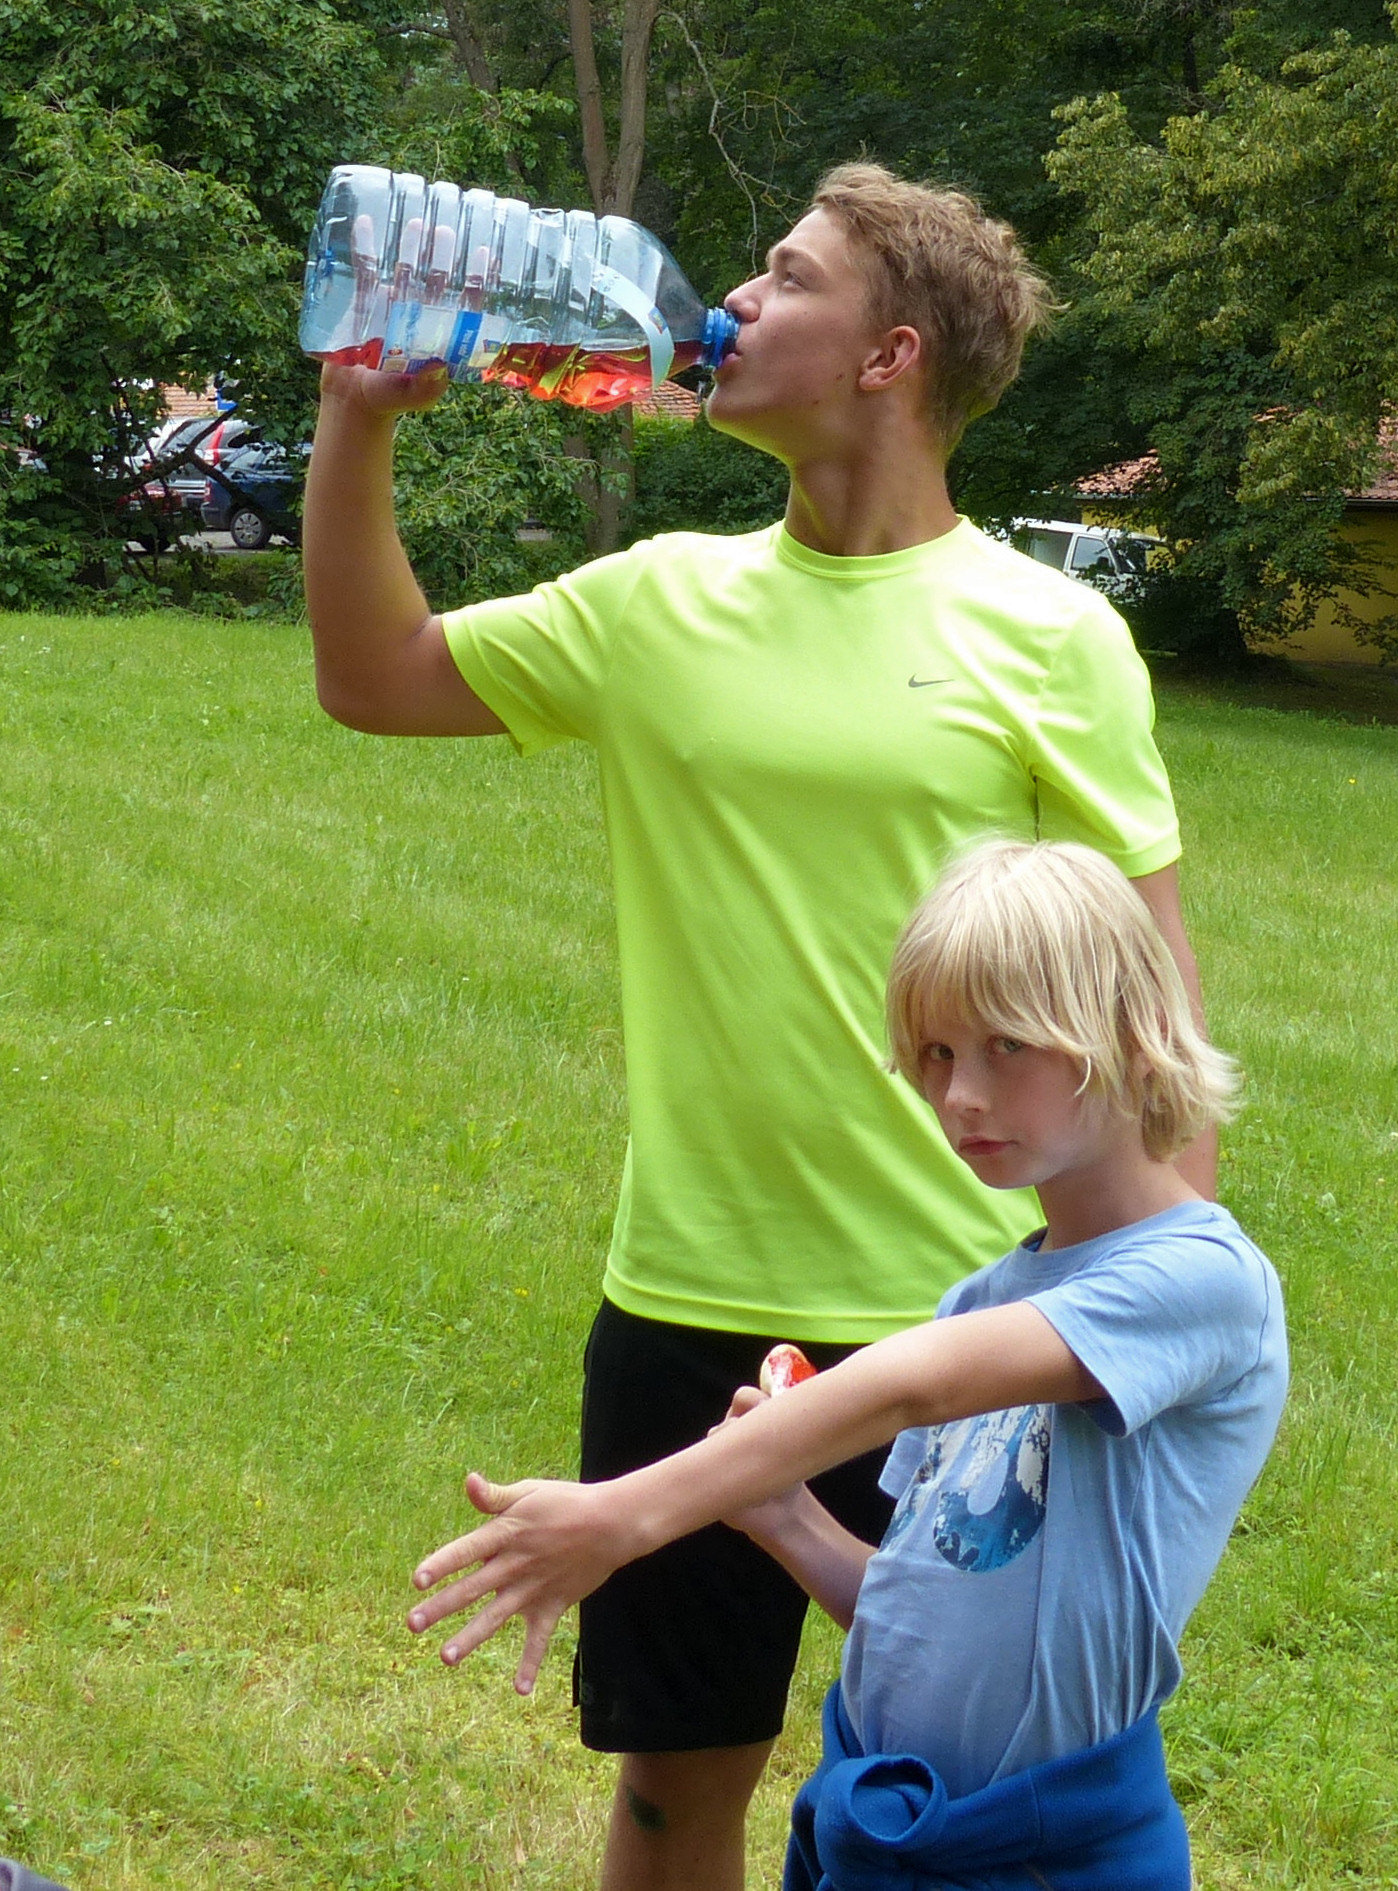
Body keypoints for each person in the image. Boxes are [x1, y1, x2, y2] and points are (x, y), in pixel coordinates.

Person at [304, 162, 1213, 1890]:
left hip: (966, 1312)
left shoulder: (1051, 637)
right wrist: (358, 424)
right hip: (691, 1295)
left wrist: (1158, 1320)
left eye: (781, 275)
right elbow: (372, 675)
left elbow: (1149, 1009)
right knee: (672, 1789)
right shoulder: (653, 601)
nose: (725, 300)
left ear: (887, 353)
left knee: (968, 1791)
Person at [406, 839, 1288, 1891]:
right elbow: (918, 1607)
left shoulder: (1202, 1279)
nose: (960, 1095)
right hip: (882, 1828)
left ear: (1130, 1034)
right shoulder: (983, 1300)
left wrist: (620, 1516)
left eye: (1006, 1045)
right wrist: (786, 1516)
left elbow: (915, 1383)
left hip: (1049, 1851)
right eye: (937, 1053)